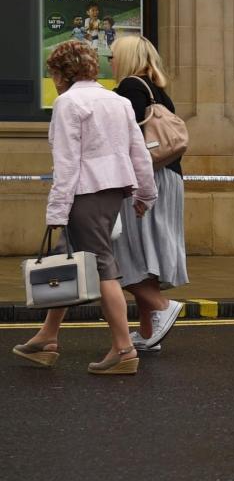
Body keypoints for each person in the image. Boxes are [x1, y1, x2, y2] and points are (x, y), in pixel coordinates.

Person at [13, 40, 156, 375]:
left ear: (63, 72)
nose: (53, 80)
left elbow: (66, 164)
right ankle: (47, 337)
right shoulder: (118, 101)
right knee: (69, 257)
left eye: (53, 73)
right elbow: (140, 152)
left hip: (85, 192)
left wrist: (56, 213)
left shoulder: (68, 103)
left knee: (102, 265)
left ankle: (123, 349)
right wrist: (145, 195)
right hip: (113, 191)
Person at [111, 35, 189, 351]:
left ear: (128, 58)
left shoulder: (130, 86)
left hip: (145, 179)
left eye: (114, 56)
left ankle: (160, 307)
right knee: (147, 253)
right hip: (167, 176)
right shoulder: (156, 89)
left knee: (123, 252)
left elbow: (125, 139)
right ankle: (147, 332)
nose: (110, 61)